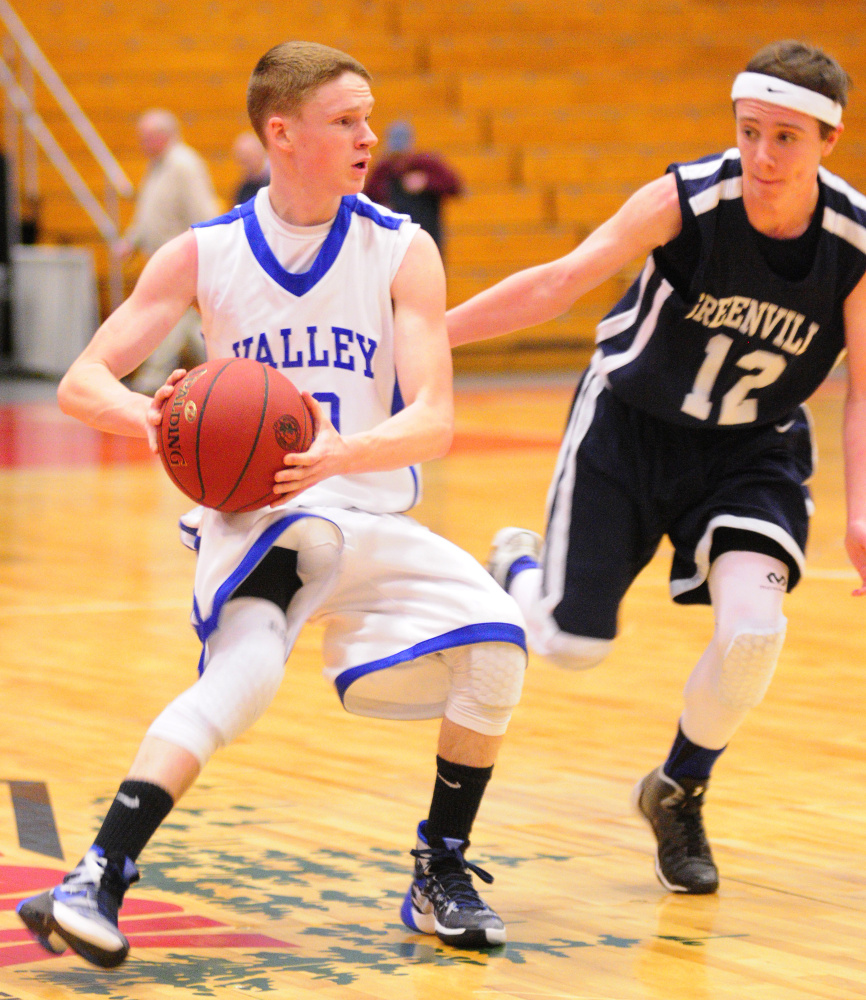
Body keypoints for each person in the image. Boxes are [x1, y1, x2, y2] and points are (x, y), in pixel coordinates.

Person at [16, 41, 527, 967]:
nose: (370, 135)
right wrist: (157, 419)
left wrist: (348, 451)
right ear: (281, 134)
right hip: (260, 522)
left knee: (497, 647)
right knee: (242, 675)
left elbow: (438, 420)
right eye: (346, 121)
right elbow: (82, 382)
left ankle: (439, 870)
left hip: (370, 511)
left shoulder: (403, 252)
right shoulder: (204, 252)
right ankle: (98, 875)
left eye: (368, 117)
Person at [447, 40, 866, 896]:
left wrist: (862, 513)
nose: (760, 156)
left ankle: (679, 790)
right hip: (630, 430)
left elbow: (864, 389)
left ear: (831, 139)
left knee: (754, 632)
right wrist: (425, 338)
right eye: (749, 131)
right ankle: (517, 566)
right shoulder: (688, 199)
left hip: (753, 446)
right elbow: (558, 284)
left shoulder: (853, 240)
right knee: (569, 645)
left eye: (785, 138)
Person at [117, 109, 220, 394]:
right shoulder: (159, 165)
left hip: (182, 259)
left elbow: (204, 212)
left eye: (146, 138)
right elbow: (148, 212)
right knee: (187, 326)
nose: (142, 144)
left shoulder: (184, 165)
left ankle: (151, 380)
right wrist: (132, 240)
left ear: (163, 136)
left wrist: (199, 255)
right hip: (164, 260)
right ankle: (223, 370)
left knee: (171, 320)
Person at [365, 120, 463, 253]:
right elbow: (367, 198)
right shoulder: (384, 169)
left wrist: (426, 182)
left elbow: (456, 187)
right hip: (393, 240)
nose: (399, 159)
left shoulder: (426, 163)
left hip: (427, 234)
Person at [231, 129, 270, 204]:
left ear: (260, 153)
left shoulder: (276, 180)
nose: (245, 166)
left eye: (247, 158)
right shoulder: (244, 188)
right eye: (241, 161)